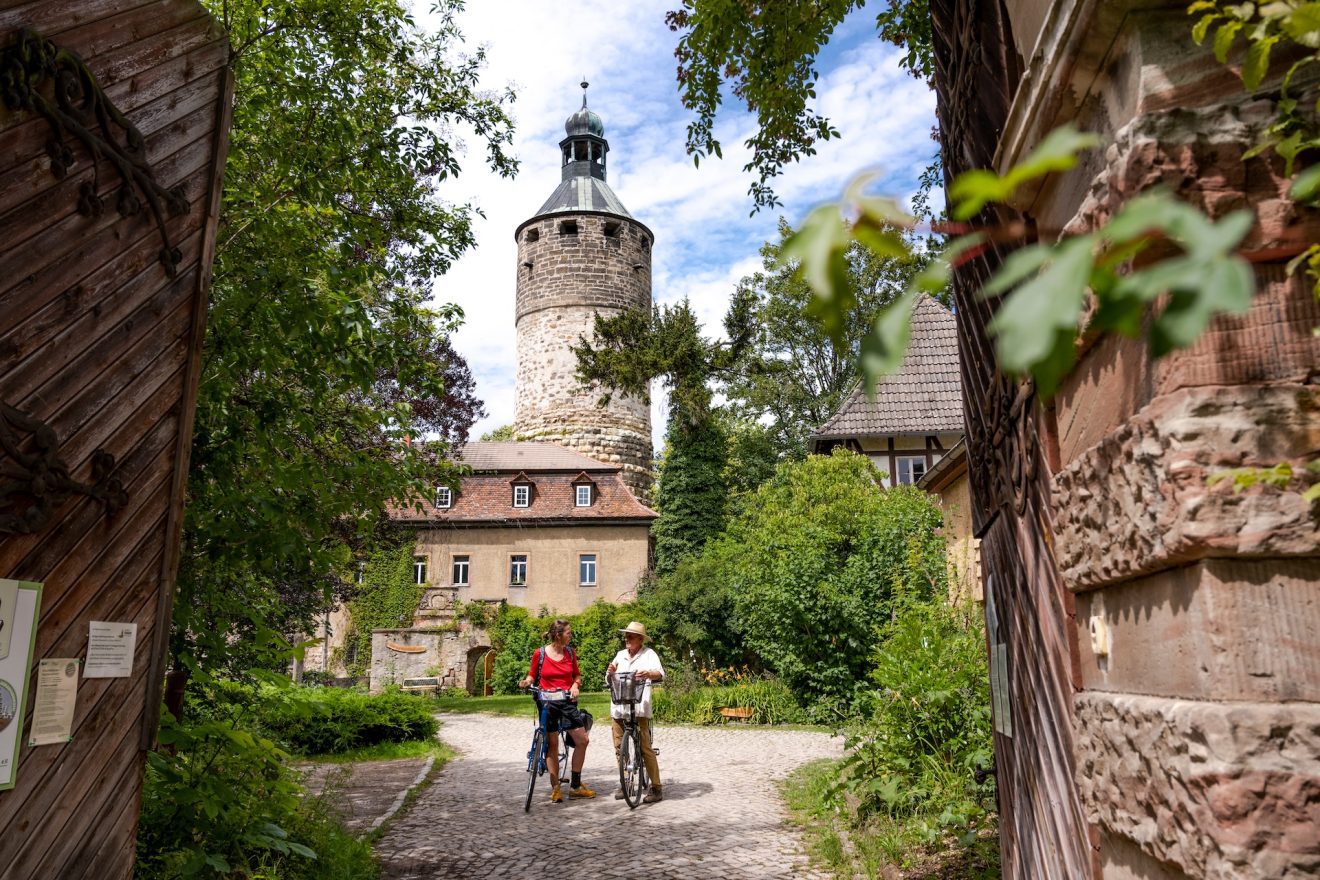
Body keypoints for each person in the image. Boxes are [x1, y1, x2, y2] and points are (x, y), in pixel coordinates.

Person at [519, 619, 596, 802]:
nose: (571, 635)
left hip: (567, 701)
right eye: (568, 633)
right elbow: (532, 675)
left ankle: (575, 786)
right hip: (547, 702)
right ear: (558, 635)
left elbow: (576, 675)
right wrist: (526, 682)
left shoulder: (570, 652)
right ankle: (556, 789)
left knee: (582, 740)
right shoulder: (540, 654)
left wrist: (575, 686)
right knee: (552, 744)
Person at [605, 621, 664, 803]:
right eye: (626, 636)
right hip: (619, 706)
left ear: (640, 639)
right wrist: (610, 673)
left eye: (630, 637)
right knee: (619, 747)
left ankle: (656, 787)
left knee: (645, 747)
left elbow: (660, 674)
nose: (627, 639)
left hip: (639, 707)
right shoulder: (620, 655)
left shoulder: (649, 654)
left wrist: (649, 674)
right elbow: (609, 679)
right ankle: (626, 783)